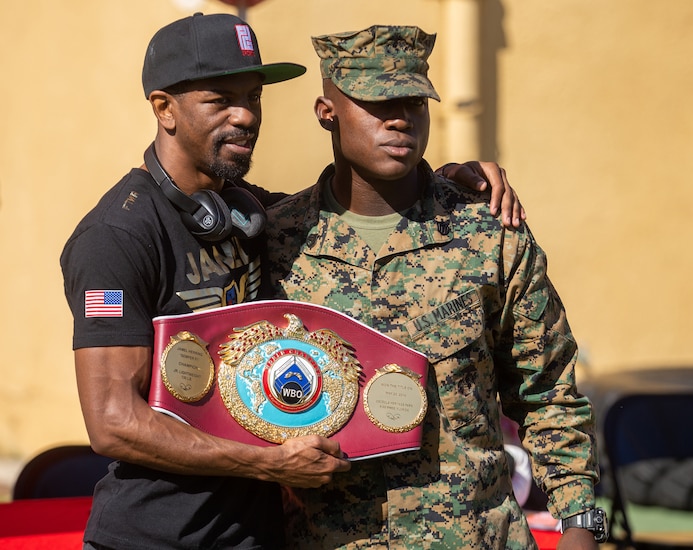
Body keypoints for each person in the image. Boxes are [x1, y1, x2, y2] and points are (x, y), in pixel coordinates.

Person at [60, 13, 524, 550]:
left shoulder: (253, 216)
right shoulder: (117, 236)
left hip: (256, 536)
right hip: (155, 538)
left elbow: (354, 207)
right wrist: (268, 463)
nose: (245, 115)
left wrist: (437, 182)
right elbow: (113, 422)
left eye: (253, 97)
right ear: (165, 109)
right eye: (219, 100)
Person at [266, 25, 603, 549]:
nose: (399, 118)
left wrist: (580, 525)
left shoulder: (487, 231)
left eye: (414, 102)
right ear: (326, 112)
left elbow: (549, 394)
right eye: (378, 103)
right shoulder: (279, 243)